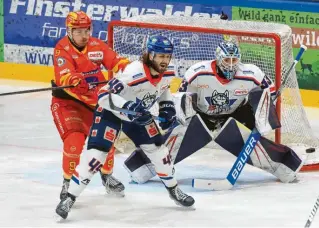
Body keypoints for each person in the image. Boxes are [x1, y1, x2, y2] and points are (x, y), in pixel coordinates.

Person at [123, 39, 304, 184]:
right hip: (201, 118)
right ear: (218, 59)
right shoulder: (198, 72)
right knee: (173, 142)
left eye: (235, 60)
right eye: (227, 60)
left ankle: (287, 168)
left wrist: (262, 109)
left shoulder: (251, 73)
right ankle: (139, 169)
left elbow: (269, 91)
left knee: (255, 147)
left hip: (233, 117)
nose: (231, 64)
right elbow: (183, 98)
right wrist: (181, 121)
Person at [55, 35, 194, 220]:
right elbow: (104, 96)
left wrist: (166, 107)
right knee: (96, 156)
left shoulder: (167, 72)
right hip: (110, 113)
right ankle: (69, 198)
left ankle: (174, 190)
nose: (164, 61)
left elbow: (163, 90)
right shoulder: (133, 72)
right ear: (150, 55)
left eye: (167, 56)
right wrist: (128, 107)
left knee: (159, 151)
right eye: (160, 56)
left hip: (136, 117)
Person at [51, 11, 129, 200]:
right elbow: (65, 76)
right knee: (74, 142)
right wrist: (75, 79)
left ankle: (107, 176)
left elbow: (116, 61)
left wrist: (127, 68)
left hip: (95, 103)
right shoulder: (62, 49)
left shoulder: (96, 45)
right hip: (68, 103)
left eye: (87, 30)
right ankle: (67, 183)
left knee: (108, 141)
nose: (84, 35)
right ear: (69, 31)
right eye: (78, 31)